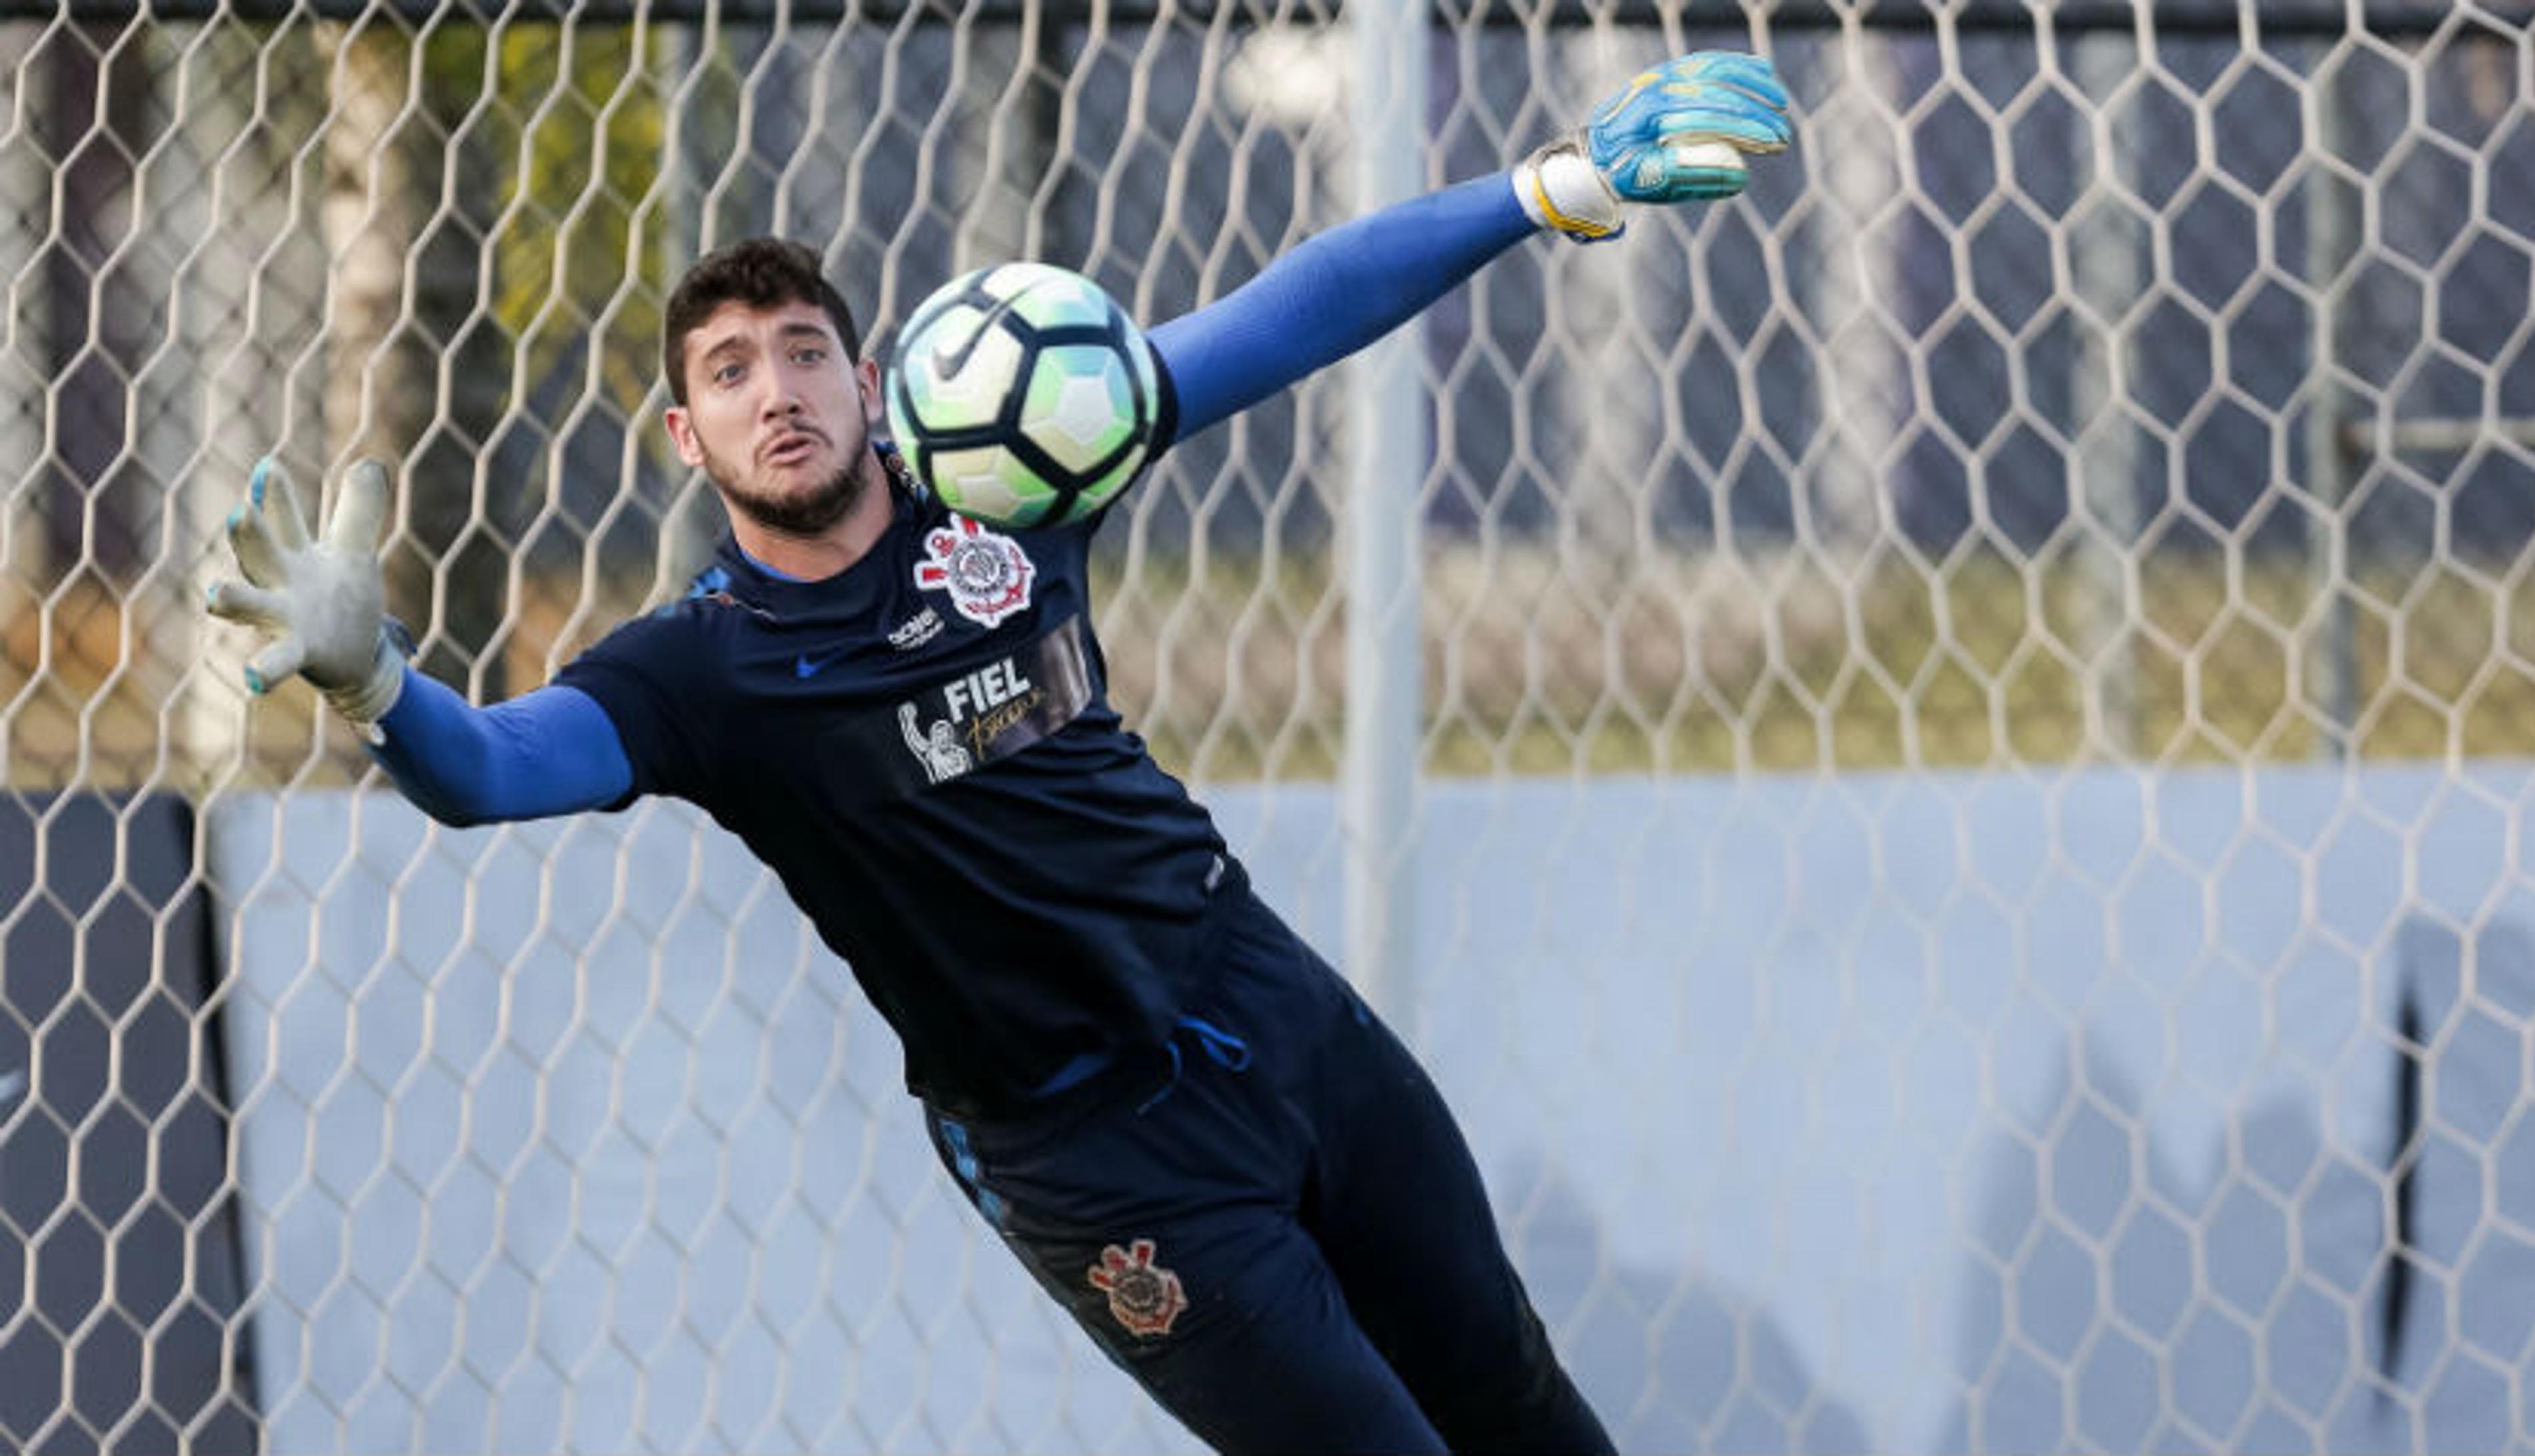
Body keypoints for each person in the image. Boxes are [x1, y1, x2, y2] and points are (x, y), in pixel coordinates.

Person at [209, 51, 1791, 1455]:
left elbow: (1293, 311)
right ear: (685, 439)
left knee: (1514, 1394)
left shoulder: (1014, 469)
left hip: (1276, 1013)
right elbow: (487, 773)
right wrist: (379, 684)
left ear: (868, 374)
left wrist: (1549, 186)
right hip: (1098, 1160)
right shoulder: (699, 673)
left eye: (805, 349)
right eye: (731, 371)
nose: (779, 392)